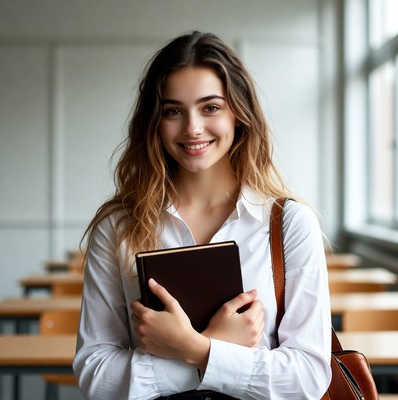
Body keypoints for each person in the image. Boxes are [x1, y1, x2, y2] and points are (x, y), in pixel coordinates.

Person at [73, 31, 331, 400]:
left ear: (239, 114)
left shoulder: (289, 222)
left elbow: (307, 378)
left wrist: (196, 350)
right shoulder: (118, 227)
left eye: (211, 107)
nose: (192, 128)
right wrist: (217, 346)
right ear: (155, 123)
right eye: (173, 111)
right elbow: (96, 376)